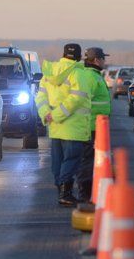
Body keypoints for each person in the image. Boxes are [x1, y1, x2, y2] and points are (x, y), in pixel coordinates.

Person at [35, 43, 92, 207]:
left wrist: (48, 114)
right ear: (79, 56)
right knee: (72, 159)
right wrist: (57, 115)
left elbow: (40, 98)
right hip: (73, 127)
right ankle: (65, 193)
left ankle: (61, 191)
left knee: (58, 161)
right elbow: (77, 98)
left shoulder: (48, 73)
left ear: (63, 55)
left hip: (54, 127)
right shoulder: (78, 73)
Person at [76, 47, 112, 202]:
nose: (105, 61)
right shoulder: (91, 77)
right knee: (87, 161)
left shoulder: (95, 75)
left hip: (95, 126)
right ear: (96, 60)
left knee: (92, 161)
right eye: (103, 58)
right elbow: (82, 101)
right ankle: (84, 193)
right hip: (90, 127)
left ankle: (90, 192)